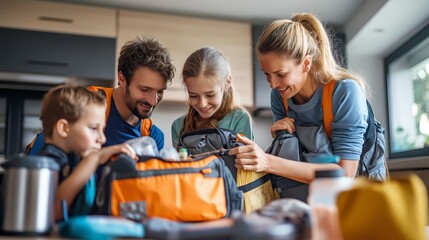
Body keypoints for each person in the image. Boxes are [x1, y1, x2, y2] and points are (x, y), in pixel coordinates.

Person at [229, 13, 369, 183]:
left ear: (306, 64)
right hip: (319, 193)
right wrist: (282, 138)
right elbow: (296, 162)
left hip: (361, 193)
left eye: (280, 74)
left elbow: (344, 174)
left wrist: (267, 161)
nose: (272, 84)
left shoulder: (345, 92)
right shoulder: (279, 96)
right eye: (267, 74)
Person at [28, 36, 176, 155]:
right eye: (145, 89)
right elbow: (41, 156)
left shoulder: (152, 137)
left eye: (160, 91)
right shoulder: (87, 104)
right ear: (122, 79)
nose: (153, 101)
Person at [37, 84, 137, 220]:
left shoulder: (75, 158)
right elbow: (54, 212)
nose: (102, 138)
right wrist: (94, 159)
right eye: (93, 128)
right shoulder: (49, 161)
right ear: (64, 128)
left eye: (102, 129)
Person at [171, 46, 253, 147]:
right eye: (193, 96)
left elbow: (245, 160)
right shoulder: (178, 126)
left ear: (227, 82)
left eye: (210, 95)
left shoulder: (239, 119)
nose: (202, 104)